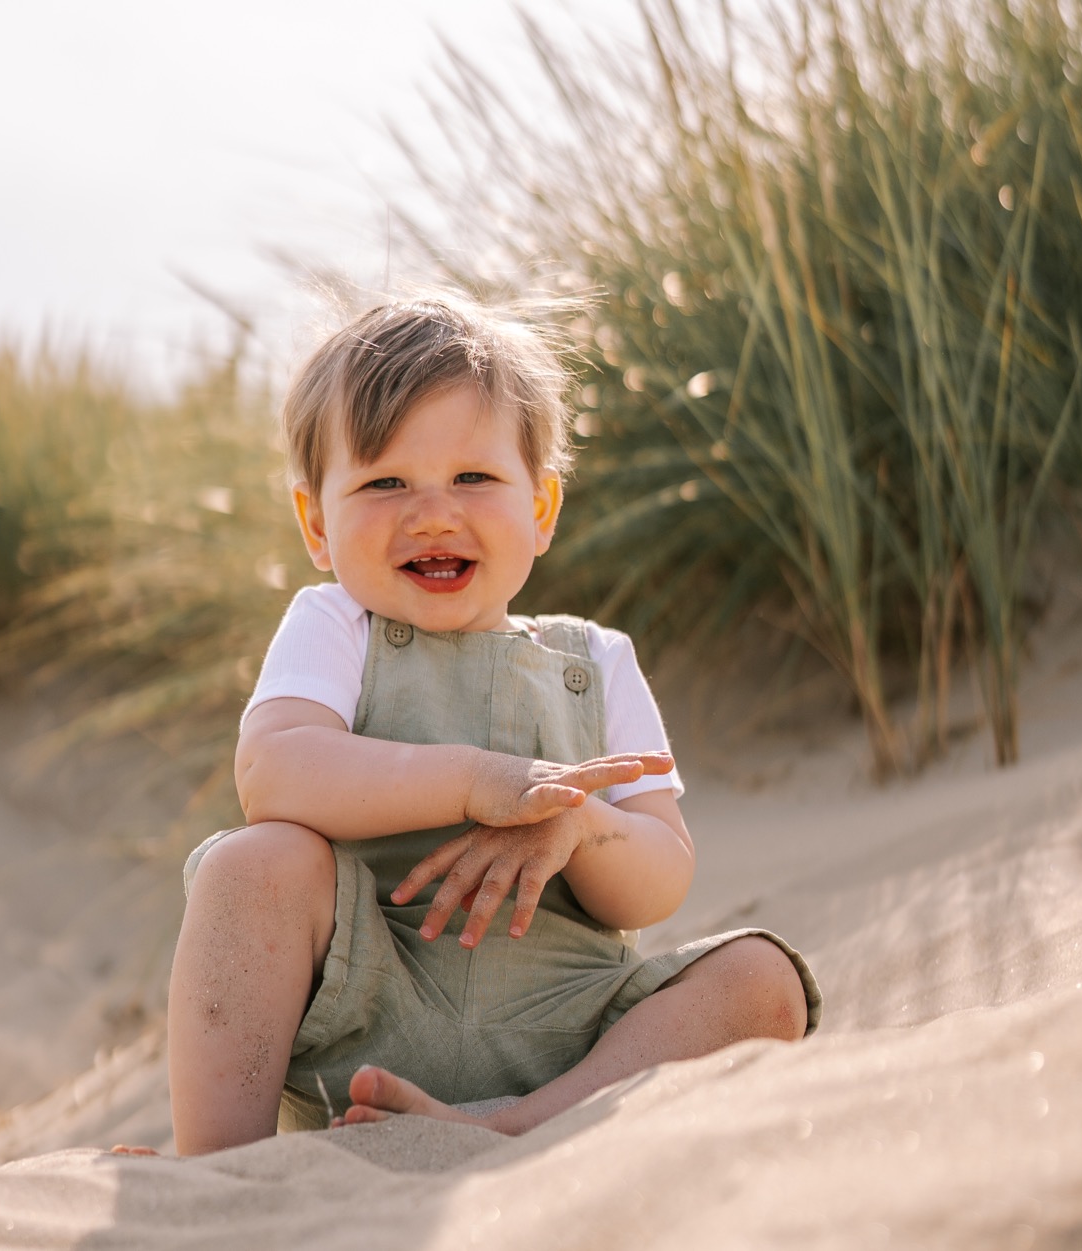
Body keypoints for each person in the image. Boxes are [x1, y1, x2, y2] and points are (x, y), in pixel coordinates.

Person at [165, 292, 821, 1156]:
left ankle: (513, 1125)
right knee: (252, 863)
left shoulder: (597, 661)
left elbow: (663, 874)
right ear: (317, 523)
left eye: (473, 478)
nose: (434, 512)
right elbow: (273, 772)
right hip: (371, 1005)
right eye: (385, 482)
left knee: (762, 978)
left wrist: (579, 828)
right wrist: (477, 780)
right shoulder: (334, 627)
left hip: (569, 1028)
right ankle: (217, 1167)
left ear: (541, 509)